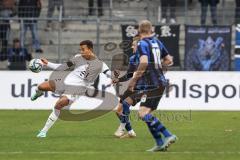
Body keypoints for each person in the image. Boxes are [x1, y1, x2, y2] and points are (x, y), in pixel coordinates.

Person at [31, 40, 111, 138]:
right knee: (41, 87)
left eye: (83, 49)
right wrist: (47, 63)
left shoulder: (100, 64)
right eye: (80, 49)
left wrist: (114, 77)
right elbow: (62, 67)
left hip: (77, 89)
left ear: (90, 49)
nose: (81, 52)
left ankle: (43, 131)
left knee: (59, 104)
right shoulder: (78, 57)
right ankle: (39, 93)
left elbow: (109, 73)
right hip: (65, 81)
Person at [127, 20, 177, 152]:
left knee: (143, 113)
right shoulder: (157, 42)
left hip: (152, 84)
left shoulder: (142, 43)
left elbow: (143, 63)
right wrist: (158, 66)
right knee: (147, 114)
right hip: (160, 82)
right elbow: (169, 60)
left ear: (139, 30)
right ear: (151, 29)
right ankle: (160, 143)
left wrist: (133, 80)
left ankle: (168, 135)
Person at [112, 36, 140, 138]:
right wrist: (118, 79)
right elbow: (129, 74)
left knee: (125, 104)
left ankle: (122, 128)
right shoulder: (133, 58)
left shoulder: (146, 59)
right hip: (132, 86)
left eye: (134, 45)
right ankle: (131, 132)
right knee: (118, 111)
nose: (132, 47)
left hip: (141, 87)